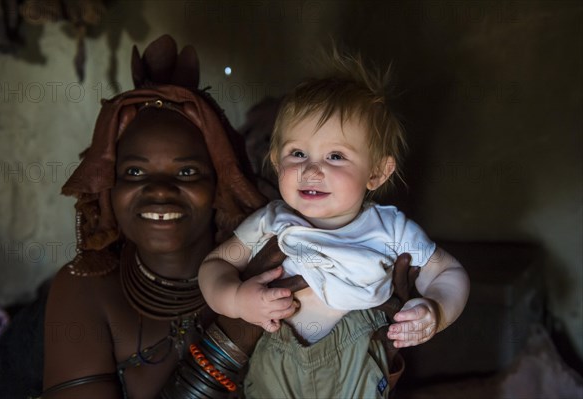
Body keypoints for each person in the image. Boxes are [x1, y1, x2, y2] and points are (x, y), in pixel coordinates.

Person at [199, 50, 470, 398]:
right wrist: (236, 298)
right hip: (276, 361)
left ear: (377, 172)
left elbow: (449, 273)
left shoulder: (390, 229)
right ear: (275, 160)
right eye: (297, 153)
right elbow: (215, 265)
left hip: (355, 361)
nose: (312, 170)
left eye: (336, 156)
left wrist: (436, 309)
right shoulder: (270, 221)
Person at [41, 34, 299, 399]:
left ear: (219, 186)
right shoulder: (84, 288)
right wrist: (233, 336)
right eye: (133, 172)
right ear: (107, 190)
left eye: (187, 173)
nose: (160, 190)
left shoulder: (273, 269)